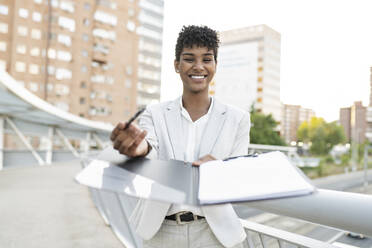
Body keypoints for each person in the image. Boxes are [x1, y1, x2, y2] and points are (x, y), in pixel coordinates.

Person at [110, 25, 250, 248]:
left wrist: (221, 170)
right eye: (189, 59)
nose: (198, 67)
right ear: (177, 65)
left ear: (215, 65)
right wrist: (140, 149)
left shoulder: (238, 119)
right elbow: (150, 150)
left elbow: (239, 172)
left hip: (214, 233)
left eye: (207, 59)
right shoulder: (154, 113)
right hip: (161, 231)